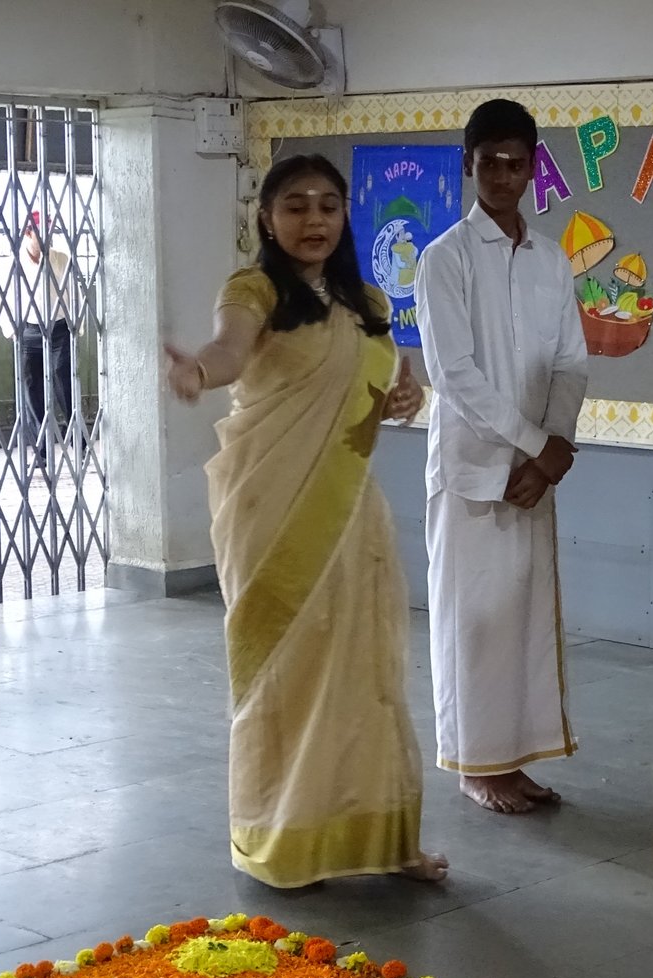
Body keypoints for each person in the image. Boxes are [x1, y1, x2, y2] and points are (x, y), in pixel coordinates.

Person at [164, 154, 447, 887]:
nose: (313, 220)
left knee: (366, 667)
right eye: (295, 206)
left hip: (351, 507)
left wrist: (404, 397)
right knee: (286, 672)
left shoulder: (367, 300)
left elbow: (383, 384)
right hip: (272, 509)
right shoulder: (254, 289)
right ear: (267, 218)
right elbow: (229, 348)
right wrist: (200, 370)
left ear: (345, 214)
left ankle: (381, 837)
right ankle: (285, 837)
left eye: (327, 205)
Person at [415, 99, 589, 815]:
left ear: (533, 168)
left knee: (522, 622)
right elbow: (454, 375)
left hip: (533, 473)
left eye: (517, 163)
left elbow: (570, 362)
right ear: (469, 165)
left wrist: (555, 447)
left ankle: (512, 760)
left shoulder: (550, 259)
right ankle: (474, 765)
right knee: (473, 622)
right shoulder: (445, 258)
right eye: (489, 162)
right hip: (473, 472)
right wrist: (536, 446)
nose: (503, 175)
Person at [8, 214, 77, 447]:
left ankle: (77, 435)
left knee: (63, 377)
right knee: (31, 385)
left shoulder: (61, 259)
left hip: (59, 328)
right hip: (30, 330)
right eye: (41, 233)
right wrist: (12, 330)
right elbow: (5, 297)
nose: (47, 238)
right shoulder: (15, 262)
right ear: (28, 233)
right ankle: (42, 444)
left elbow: (74, 293)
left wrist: (76, 328)